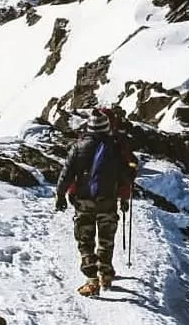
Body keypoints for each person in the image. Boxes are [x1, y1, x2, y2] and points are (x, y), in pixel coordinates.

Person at [55, 108, 134, 296]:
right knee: (106, 239)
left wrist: (60, 196)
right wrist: (124, 198)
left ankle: (91, 280)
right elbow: (125, 177)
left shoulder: (78, 147)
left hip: (83, 201)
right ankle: (105, 274)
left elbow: (66, 175)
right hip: (108, 200)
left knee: (85, 239)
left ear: (89, 127)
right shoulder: (115, 148)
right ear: (106, 128)